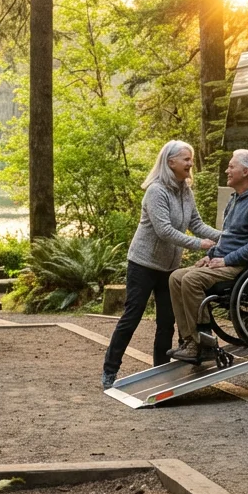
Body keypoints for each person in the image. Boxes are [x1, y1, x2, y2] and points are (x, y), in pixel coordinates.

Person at [101, 140, 221, 389]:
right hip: (143, 265)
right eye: (186, 159)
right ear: (171, 162)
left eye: (191, 159)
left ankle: (160, 373)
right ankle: (109, 370)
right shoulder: (156, 191)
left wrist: (225, 236)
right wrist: (200, 245)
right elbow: (164, 230)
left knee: (166, 321)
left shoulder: (185, 190)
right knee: (131, 317)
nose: (190, 163)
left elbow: (196, 223)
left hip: (169, 268)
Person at [168, 149, 248, 365]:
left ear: (245, 172)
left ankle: (204, 343)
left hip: (245, 265)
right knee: (176, 277)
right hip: (225, 260)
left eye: (231, 166)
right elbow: (227, 238)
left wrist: (226, 260)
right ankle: (191, 340)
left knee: (191, 280)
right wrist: (210, 256)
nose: (227, 170)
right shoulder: (236, 198)